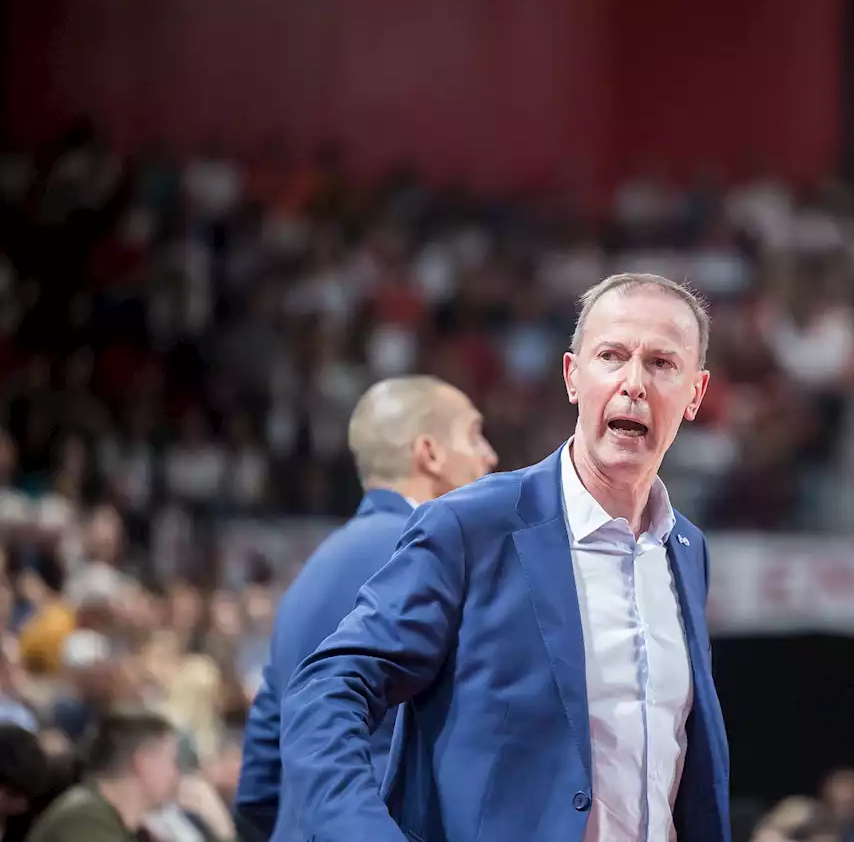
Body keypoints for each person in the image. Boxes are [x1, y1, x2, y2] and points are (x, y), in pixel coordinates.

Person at [279, 272, 730, 842]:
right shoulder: (472, 524)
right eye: (612, 356)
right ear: (573, 377)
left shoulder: (686, 550)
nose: (633, 383)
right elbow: (327, 690)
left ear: (696, 393)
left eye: (662, 364)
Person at [235, 376, 497, 842]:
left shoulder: (309, 574)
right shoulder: (439, 558)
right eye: (475, 434)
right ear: (429, 453)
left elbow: (259, 777)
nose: (490, 456)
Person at [25, 708, 180, 842]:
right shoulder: (86, 821)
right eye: (172, 760)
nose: (176, 773)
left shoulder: (100, 816)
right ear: (144, 764)